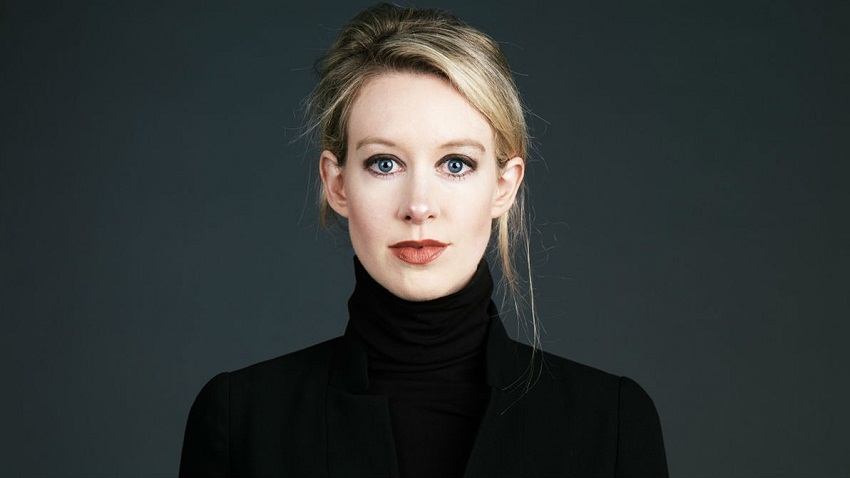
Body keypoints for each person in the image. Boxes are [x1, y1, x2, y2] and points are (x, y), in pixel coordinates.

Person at [179, 4, 668, 477]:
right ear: (337, 184)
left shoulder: (612, 424)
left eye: (455, 164)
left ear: (504, 186)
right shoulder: (240, 421)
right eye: (384, 163)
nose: (418, 206)